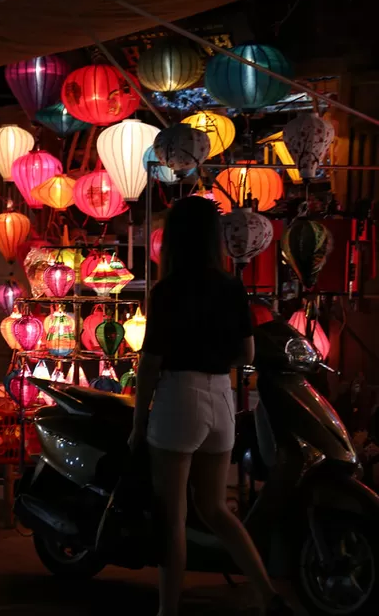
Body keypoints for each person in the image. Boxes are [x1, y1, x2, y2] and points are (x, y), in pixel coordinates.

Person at [130, 197, 292, 616]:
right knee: (215, 506)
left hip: (178, 398)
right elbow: (247, 351)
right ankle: (267, 593)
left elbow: (150, 363)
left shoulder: (168, 290)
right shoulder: (231, 286)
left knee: (173, 514)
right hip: (221, 398)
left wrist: (136, 424)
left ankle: (168, 610)